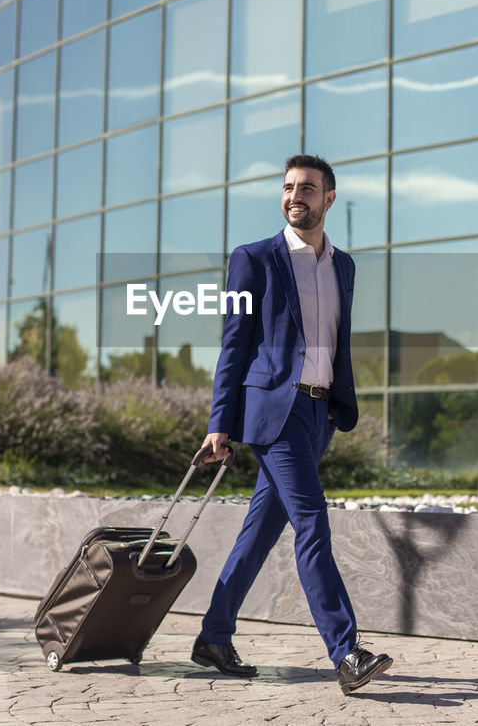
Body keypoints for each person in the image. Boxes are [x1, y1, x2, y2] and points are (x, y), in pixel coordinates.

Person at [189, 155, 393, 696]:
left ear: (329, 197)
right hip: (272, 412)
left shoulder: (343, 266)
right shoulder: (253, 259)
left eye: (307, 187)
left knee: (260, 532)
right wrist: (219, 424)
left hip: (319, 414)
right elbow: (235, 343)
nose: (294, 195)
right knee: (312, 523)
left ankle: (213, 636)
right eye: (287, 187)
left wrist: (332, 404)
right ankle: (346, 653)